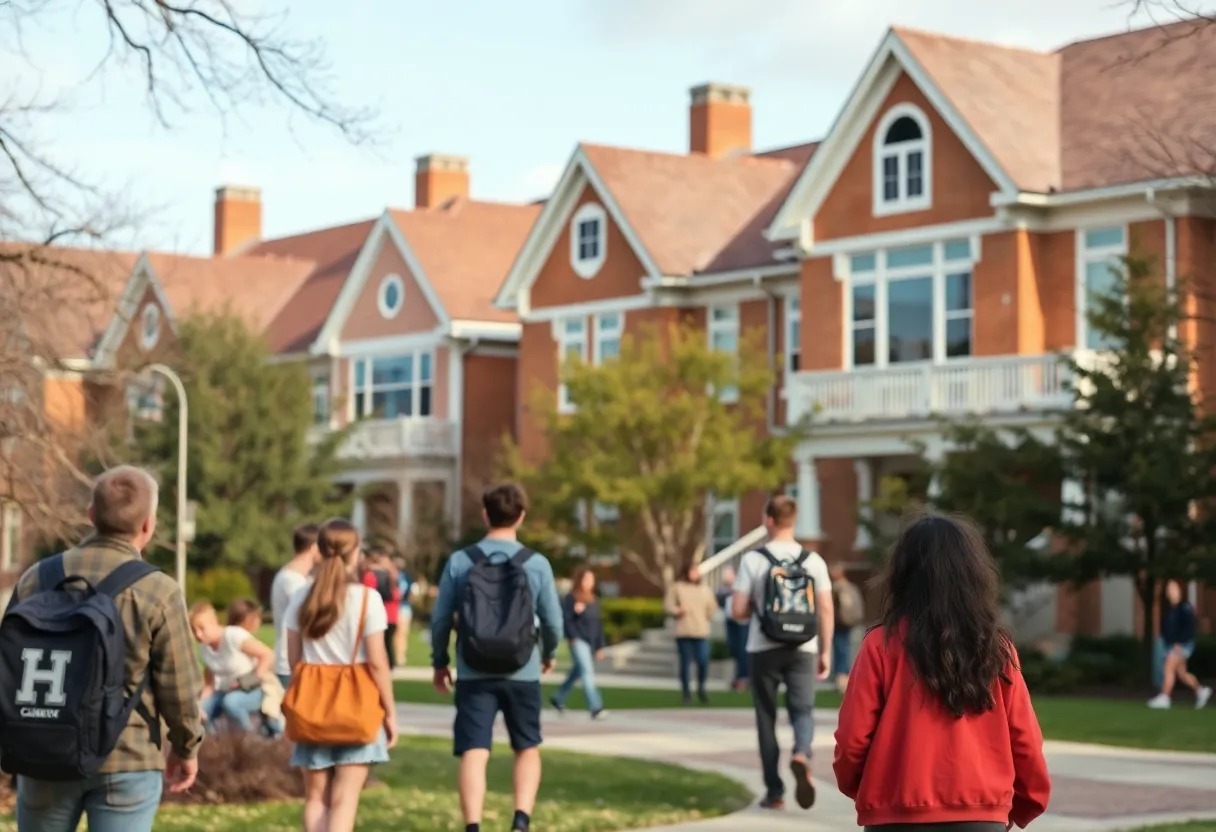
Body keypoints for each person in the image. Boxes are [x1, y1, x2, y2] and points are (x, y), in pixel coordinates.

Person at [7, 466, 204, 832]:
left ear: (91, 516)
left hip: (43, 749)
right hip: (126, 756)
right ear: (148, 524)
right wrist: (185, 747)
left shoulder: (36, 578)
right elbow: (180, 687)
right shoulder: (158, 592)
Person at [834, 513, 1052, 831]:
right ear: (972, 574)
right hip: (981, 815)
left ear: (903, 574)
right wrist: (1025, 803)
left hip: (895, 815)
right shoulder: (996, 647)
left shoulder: (880, 645)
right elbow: (1025, 738)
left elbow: (853, 738)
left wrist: (871, 791)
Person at [431, 483, 563, 832]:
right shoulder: (536, 564)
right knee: (527, 746)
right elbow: (553, 621)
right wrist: (548, 654)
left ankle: (473, 825)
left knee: (475, 748)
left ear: (485, 514)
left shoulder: (461, 561)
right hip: (523, 669)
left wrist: (439, 661)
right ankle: (520, 821)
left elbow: (441, 618)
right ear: (521, 516)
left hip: (474, 671)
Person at [285, 518, 398, 832]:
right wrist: (389, 713)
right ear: (356, 552)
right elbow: (378, 663)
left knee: (315, 799)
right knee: (344, 801)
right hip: (357, 707)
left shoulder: (301, 597)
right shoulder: (367, 599)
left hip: (312, 707)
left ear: (319, 550)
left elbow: (294, 659)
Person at [732, 495, 833, 811]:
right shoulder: (813, 560)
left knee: (766, 718)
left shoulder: (754, 560)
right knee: (802, 710)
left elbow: (737, 610)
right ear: (794, 519)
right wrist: (826, 652)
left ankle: (774, 792)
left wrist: (753, 610)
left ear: (768, 520)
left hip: (764, 647)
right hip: (803, 647)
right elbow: (827, 608)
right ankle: (802, 752)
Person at [191, 601, 276, 734]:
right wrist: (199, 703)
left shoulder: (233, 636)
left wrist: (250, 679)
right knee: (197, 712)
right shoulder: (204, 648)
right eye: (194, 630)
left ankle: (251, 738)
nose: (198, 635)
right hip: (224, 691)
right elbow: (209, 683)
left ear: (214, 622)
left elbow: (267, 655)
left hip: (251, 689)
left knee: (231, 703)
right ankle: (215, 743)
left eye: (202, 628)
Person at [551, 565, 608, 719]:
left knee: (577, 672)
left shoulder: (594, 600)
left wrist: (599, 646)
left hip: (591, 642)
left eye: (592, 579)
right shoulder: (571, 598)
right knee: (587, 672)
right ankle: (596, 707)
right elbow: (567, 621)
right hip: (578, 641)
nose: (590, 582)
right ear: (580, 581)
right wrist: (573, 637)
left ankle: (558, 697)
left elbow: (597, 625)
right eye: (587, 579)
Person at [1149, 579, 1212, 710]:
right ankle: (1201, 691)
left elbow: (1190, 628)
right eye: (1169, 589)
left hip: (1182, 645)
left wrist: (1179, 643)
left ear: (1180, 591)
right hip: (1173, 645)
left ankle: (1165, 697)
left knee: (1168, 667)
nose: (1171, 592)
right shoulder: (1171, 610)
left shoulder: (1185, 608)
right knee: (1182, 674)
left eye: (1174, 589)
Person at [271, 523, 320, 688]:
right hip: (290, 661)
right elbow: (310, 615)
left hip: (293, 659)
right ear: (313, 547)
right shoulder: (293, 580)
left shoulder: (295, 577)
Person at [666, 560, 719, 706]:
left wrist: (707, 617)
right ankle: (686, 692)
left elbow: (712, 607)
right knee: (685, 664)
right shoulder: (677, 587)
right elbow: (668, 605)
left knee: (703, 661)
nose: (694, 574)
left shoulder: (704, 589)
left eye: (696, 571)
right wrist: (677, 611)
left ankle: (701, 688)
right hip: (684, 631)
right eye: (691, 571)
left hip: (701, 631)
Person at [362, 545, 400, 670]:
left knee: (379, 646)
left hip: (381, 615)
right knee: (388, 644)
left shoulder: (371, 576)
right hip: (391, 614)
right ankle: (390, 666)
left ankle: (386, 667)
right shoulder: (392, 576)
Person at [830, 562, 865, 691]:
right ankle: (842, 674)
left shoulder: (837, 587)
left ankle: (841, 676)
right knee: (844, 647)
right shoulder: (851, 587)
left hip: (839, 622)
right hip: (849, 622)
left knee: (840, 648)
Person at [715, 566, 749, 691]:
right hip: (730, 621)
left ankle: (743, 677)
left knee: (742, 649)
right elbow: (719, 599)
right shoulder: (723, 590)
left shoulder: (741, 586)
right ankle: (739, 675)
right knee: (733, 647)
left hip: (742, 622)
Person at [393, 556, 417, 667]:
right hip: (398, 607)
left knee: (401, 633)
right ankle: (397, 656)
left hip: (402, 607)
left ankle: (399, 655)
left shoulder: (405, 577)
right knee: (398, 633)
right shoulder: (395, 577)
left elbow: (412, 594)